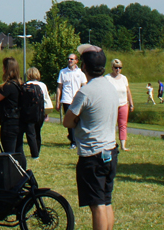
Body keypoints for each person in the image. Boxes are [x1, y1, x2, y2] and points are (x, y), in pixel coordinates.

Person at [63, 45, 119, 230]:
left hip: (92, 155)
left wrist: (79, 119)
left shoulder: (85, 92)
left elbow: (67, 121)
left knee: (97, 206)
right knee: (106, 200)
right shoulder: (110, 87)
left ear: (84, 66)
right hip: (110, 150)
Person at [57, 52, 87, 149]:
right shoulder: (63, 72)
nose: (70, 61)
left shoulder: (80, 73)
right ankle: (73, 142)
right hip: (67, 99)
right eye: (68, 59)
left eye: (72, 59)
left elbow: (85, 86)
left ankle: (75, 138)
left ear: (76, 61)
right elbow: (59, 87)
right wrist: (58, 101)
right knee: (70, 120)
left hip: (77, 100)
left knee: (78, 121)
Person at [106, 59, 134, 151]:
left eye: (120, 68)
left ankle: (123, 145)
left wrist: (131, 103)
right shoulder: (108, 78)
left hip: (123, 104)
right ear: (112, 68)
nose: (118, 69)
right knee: (111, 124)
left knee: (123, 125)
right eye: (116, 68)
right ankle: (111, 143)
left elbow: (127, 91)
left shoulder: (124, 78)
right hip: (112, 105)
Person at [25, 67, 53, 159]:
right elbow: (46, 99)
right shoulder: (42, 85)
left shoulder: (26, 85)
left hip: (29, 113)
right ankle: (37, 150)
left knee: (30, 133)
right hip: (40, 112)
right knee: (37, 132)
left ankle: (34, 153)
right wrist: (47, 113)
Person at [0, 57, 23, 153]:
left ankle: (11, 168)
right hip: (19, 121)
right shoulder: (19, 84)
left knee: (9, 153)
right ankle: (21, 168)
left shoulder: (8, 86)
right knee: (19, 151)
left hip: (9, 122)